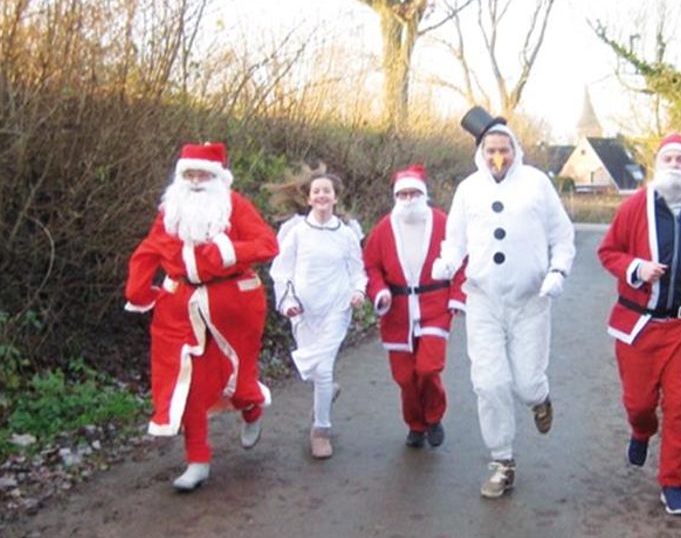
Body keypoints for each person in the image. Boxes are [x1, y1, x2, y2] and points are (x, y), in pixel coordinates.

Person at [431, 107, 576, 498]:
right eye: (492, 149)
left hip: (531, 300)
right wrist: (447, 262)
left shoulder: (537, 185)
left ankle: (540, 399)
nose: (499, 156)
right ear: (481, 151)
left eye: (505, 149)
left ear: (516, 150)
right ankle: (502, 460)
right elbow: (455, 238)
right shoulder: (468, 189)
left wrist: (558, 271)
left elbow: (562, 236)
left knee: (526, 382)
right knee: (489, 383)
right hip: (483, 301)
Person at [124, 142, 279, 492]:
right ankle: (198, 460)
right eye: (189, 174)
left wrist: (228, 251)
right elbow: (148, 250)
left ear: (218, 178)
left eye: (203, 174)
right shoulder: (171, 211)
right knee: (188, 385)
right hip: (180, 307)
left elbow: (268, 244)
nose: (195, 181)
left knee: (236, 379)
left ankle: (251, 408)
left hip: (233, 306)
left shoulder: (234, 206)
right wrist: (139, 291)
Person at [597, 132, 681, 516]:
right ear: (658, 166)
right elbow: (608, 252)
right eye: (669, 160)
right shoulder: (635, 207)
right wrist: (636, 268)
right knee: (639, 403)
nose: (675, 166)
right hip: (639, 325)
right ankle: (641, 431)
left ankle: (673, 482)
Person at [363, 164, 466, 448]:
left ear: (423, 195)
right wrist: (380, 291)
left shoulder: (443, 223)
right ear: (396, 197)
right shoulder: (384, 228)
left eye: (413, 193)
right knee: (405, 377)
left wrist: (457, 296)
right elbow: (371, 266)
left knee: (428, 368)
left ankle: (433, 417)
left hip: (435, 305)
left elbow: (462, 260)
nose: (408, 200)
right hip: (397, 311)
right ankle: (415, 425)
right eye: (403, 195)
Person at [269, 172, 367, 459]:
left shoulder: (347, 234)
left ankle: (320, 430)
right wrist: (287, 301)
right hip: (303, 310)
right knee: (314, 371)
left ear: (335, 198)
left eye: (327, 191)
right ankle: (326, 392)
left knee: (323, 369)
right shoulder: (297, 232)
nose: (322, 196)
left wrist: (358, 292)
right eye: (317, 191)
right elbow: (281, 270)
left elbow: (357, 271)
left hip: (336, 308)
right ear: (309, 198)